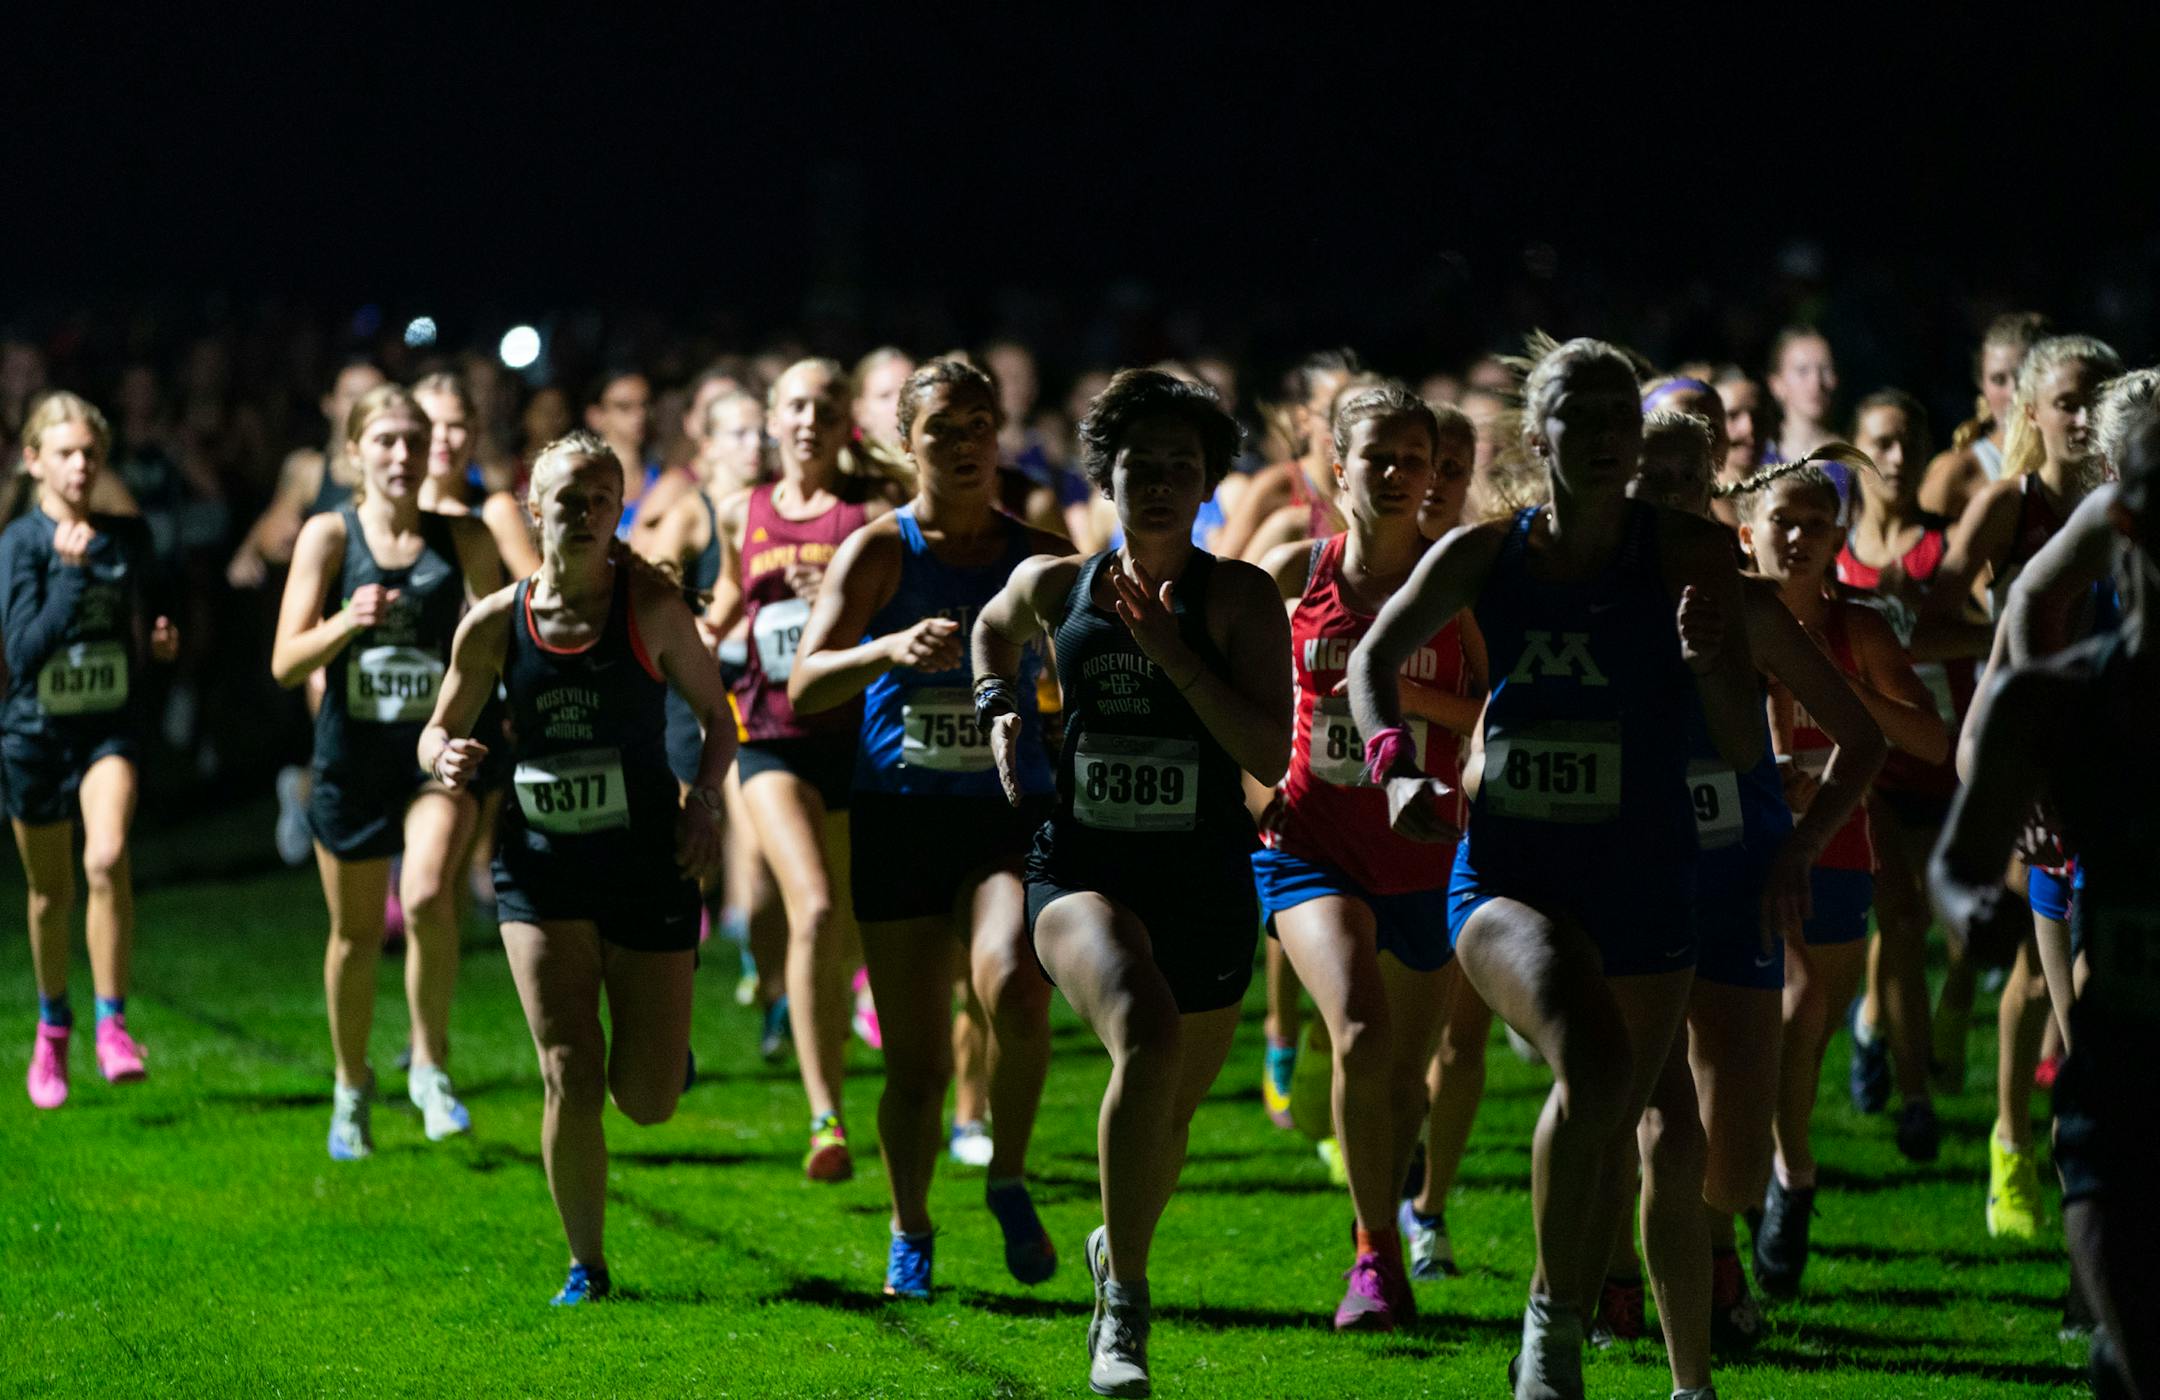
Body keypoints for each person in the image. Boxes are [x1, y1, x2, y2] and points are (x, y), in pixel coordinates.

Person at [1349, 337, 1761, 1400]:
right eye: (1583, 414)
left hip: (1645, 872)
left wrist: (1710, 654)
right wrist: (1395, 767)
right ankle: (1555, 1322)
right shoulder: (1491, 554)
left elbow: (1744, 743)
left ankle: (1670, 1363)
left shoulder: (1689, 554)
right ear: (1541, 437)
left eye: (1623, 414)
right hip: (1507, 876)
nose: (1610, 435)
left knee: (1640, 1110)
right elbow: (1370, 659)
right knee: (1590, 1055)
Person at [973, 368, 1289, 1397]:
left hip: (1203, 875)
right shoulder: (1055, 584)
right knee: (1145, 1035)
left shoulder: (1238, 595)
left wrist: (1175, 655)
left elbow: (1270, 746)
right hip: (1081, 867)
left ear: (1208, 481)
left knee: (1167, 1119)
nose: (1158, 483)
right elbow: (991, 628)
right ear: (1102, 473)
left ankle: (1120, 1245)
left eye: (1180, 467)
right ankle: (1126, 1310)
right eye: (1139, 465)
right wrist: (997, 710)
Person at [419, 429, 735, 1305]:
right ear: (534, 509)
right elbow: (438, 725)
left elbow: (718, 719)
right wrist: (441, 758)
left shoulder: (652, 609)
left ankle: (670, 1055)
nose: (587, 512)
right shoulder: (495, 623)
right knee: (568, 1066)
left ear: (619, 509)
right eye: (569, 498)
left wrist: (703, 803)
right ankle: (586, 1266)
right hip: (541, 869)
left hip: (645, 864)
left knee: (647, 1101)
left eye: (603, 498)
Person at [790, 358, 1069, 1299]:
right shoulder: (878, 552)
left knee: (1017, 988)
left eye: (979, 424)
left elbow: (1077, 681)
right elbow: (803, 685)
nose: (962, 444)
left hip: (1000, 816)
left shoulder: (1037, 551)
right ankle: (910, 1230)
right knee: (911, 1066)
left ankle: (1006, 1174)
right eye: (942, 428)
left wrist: (1041, 696)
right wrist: (884, 650)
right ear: (904, 443)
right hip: (900, 818)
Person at [1624, 414, 1886, 1364]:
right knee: (1640, 1104)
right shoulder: (1577, 600)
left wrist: (1801, 847)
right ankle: (1609, 1288)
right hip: (1622, 880)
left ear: (1714, 492)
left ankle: (1719, 1230)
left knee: (1733, 1137)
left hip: (1737, 874)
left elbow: (1865, 741)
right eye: (1647, 473)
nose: (1663, 491)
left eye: (1684, 476)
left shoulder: (1752, 606)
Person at [1930, 402, 2160, 1397]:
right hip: (2120, 1062)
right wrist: (1968, 907)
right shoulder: (2056, 699)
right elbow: (1957, 859)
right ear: (2124, 519)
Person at [1253, 382, 1484, 1330]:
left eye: (1413, 461)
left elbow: (1494, 716)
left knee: (1404, 1080)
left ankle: (1390, 1198)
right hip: (1310, 844)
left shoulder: (1457, 588)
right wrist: (1261, 797)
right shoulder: (1285, 574)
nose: (1394, 475)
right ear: (1337, 466)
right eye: (1376, 458)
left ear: (1436, 475)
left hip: (1429, 853)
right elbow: (1237, 714)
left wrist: (1387, 689)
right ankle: (1374, 1257)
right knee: (1358, 1025)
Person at [1731, 454, 1947, 1298]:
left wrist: (1842, 701)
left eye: (1815, 525)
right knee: (1786, 1009)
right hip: (1740, 850)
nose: (1796, 536)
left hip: (1837, 853)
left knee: (1802, 1035)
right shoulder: (1719, 620)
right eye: (1781, 520)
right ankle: (1783, 1174)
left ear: (1837, 541)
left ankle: (1774, 1170)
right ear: (1746, 534)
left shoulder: (1858, 631)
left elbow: (1932, 743)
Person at [272, 384, 505, 1157]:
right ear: (355, 454)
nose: (402, 455)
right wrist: (346, 620)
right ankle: (350, 1083)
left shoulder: (464, 537)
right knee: (355, 935)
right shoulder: (328, 536)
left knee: (433, 891)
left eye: (414, 440)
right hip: (349, 761)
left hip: (430, 755)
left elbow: (507, 636)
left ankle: (431, 1067)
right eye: (385, 442)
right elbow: (283, 662)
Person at [705, 357, 899, 1180]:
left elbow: (905, 609)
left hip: (855, 741)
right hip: (771, 737)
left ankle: (828, 1030)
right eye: (795, 407)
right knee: (812, 907)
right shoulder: (736, 512)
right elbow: (725, 606)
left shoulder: (872, 515)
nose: (809, 421)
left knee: (844, 928)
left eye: (824, 406)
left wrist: (851, 604)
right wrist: (673, 617)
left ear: (845, 419)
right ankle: (826, 1119)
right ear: (773, 421)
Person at [5, 393, 177, 1108]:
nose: (80, 466)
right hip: (35, 736)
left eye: (90, 454)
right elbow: (21, 653)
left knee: (105, 857)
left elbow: (144, 627)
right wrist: (69, 578)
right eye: (66, 453)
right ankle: (53, 1028)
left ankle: (112, 1024)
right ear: (33, 459)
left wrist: (160, 647)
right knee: (51, 896)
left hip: (108, 731)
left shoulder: (126, 539)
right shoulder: (18, 544)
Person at [1834, 390, 1988, 1152]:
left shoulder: (1949, 547)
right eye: (1882, 443)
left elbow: (1994, 632)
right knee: (1899, 920)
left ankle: (1877, 1027)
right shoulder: (1829, 554)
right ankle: (1916, 1096)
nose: (1897, 459)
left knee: (1968, 931)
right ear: (1857, 450)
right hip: (1875, 774)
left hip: (1951, 761)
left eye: (1908, 443)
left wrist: (1911, 632)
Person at [1920, 312, 2051, 519]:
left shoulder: (2074, 463)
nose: (2014, 393)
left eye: (2026, 376)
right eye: (1998, 380)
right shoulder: (1955, 473)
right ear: (1982, 386)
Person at [583, 369, 661, 538]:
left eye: (645, 405)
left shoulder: (663, 480)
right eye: (624, 407)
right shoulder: (576, 484)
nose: (640, 415)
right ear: (595, 416)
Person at [1764, 328, 1838, 467]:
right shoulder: (1754, 460)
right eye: (1802, 370)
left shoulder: (1851, 462)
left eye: (1824, 369)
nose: (1816, 382)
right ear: (1776, 384)